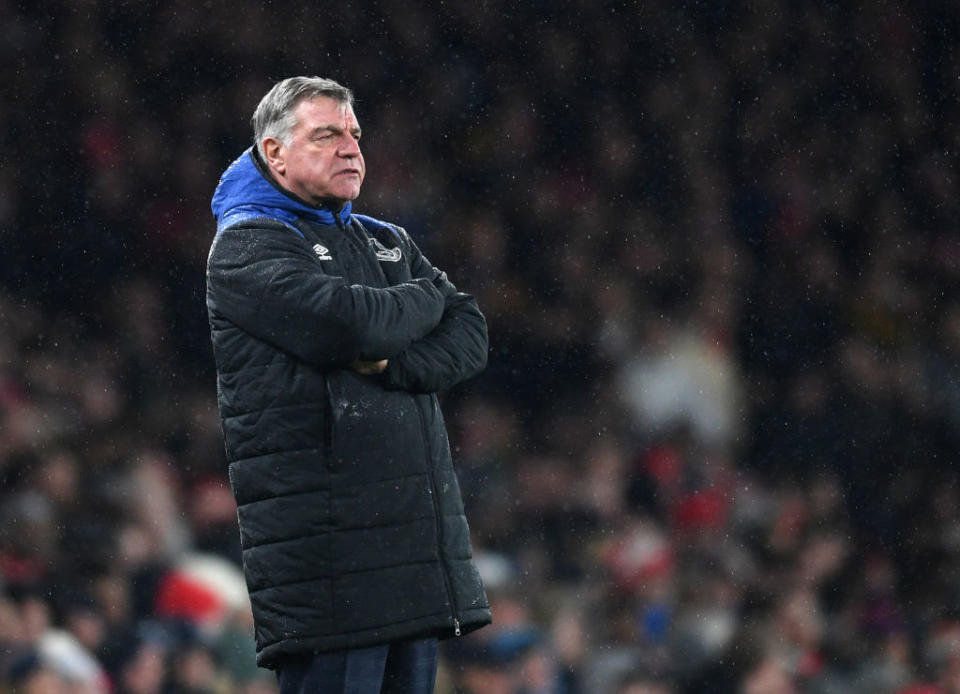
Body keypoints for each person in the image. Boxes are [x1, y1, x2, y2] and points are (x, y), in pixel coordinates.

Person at [205, 76, 491, 693]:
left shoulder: (385, 240)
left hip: (410, 558)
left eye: (355, 134)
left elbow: (470, 332)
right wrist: (426, 297)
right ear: (274, 152)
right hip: (332, 571)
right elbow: (353, 326)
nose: (350, 148)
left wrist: (399, 365)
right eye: (326, 134)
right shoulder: (247, 247)